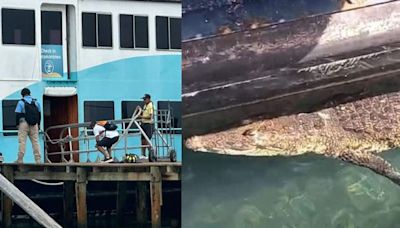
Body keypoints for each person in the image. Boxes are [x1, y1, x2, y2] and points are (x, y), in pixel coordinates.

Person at [15, 88, 41, 163]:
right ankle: (38, 159)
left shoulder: (21, 102)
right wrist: (38, 124)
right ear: (30, 94)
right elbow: (39, 114)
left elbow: (17, 114)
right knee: (35, 142)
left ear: (22, 95)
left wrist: (17, 124)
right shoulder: (35, 102)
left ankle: (20, 159)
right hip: (34, 124)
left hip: (24, 123)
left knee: (22, 142)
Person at [139, 94, 154, 159]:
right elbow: (144, 112)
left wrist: (141, 117)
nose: (144, 100)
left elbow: (150, 117)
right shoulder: (145, 105)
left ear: (148, 99)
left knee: (147, 140)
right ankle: (143, 154)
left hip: (149, 124)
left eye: (145, 99)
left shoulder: (151, 105)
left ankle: (151, 154)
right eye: (143, 99)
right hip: (143, 124)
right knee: (143, 140)